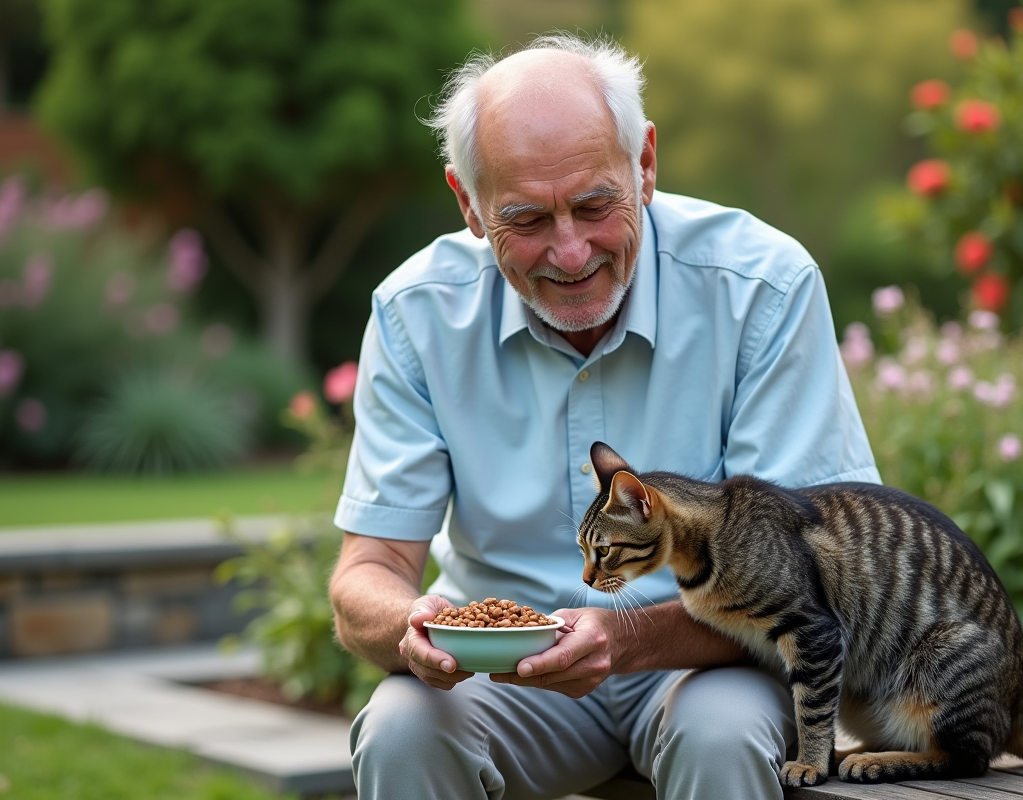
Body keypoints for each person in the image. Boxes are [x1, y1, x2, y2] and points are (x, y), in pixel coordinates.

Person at [329, 33, 880, 800]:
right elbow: (369, 572)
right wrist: (407, 625)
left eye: (594, 205)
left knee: (719, 738)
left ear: (645, 165)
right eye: (524, 219)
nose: (569, 250)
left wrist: (621, 639)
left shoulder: (763, 286)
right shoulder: (413, 313)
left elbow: (817, 577)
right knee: (401, 728)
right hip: (505, 676)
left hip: (712, 661)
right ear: (469, 204)